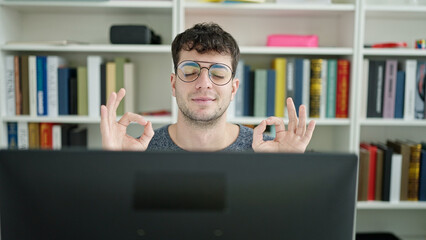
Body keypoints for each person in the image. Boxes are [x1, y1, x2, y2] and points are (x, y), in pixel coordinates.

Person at [100, 22, 316, 152]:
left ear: (234, 88)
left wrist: (290, 169)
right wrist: (114, 163)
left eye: (219, 73)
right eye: (190, 71)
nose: (204, 83)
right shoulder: (139, 150)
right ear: (173, 84)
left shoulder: (273, 151)